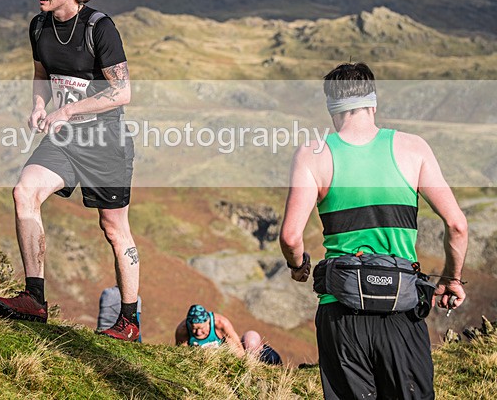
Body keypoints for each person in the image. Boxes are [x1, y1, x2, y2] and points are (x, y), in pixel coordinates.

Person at [280, 62, 468, 399]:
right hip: (401, 311)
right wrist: (451, 280)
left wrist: (299, 267)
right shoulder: (414, 149)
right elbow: (457, 225)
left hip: (340, 312)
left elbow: (290, 238)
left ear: (330, 106)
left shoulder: (313, 155)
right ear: (373, 102)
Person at [0, 0, 140, 342]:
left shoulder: (100, 27)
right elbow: (41, 72)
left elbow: (122, 93)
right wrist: (40, 106)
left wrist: (69, 112)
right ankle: (34, 299)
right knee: (24, 192)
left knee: (113, 227)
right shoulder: (38, 26)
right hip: (64, 139)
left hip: (105, 140)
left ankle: (128, 320)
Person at [175, 304, 280, 364]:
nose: (198, 332)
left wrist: (244, 365)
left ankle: (274, 361)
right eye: (194, 329)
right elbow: (180, 355)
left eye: (201, 328)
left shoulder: (221, 323)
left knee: (251, 337)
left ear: (208, 322)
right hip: (203, 362)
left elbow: (238, 348)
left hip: (226, 357)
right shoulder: (182, 330)